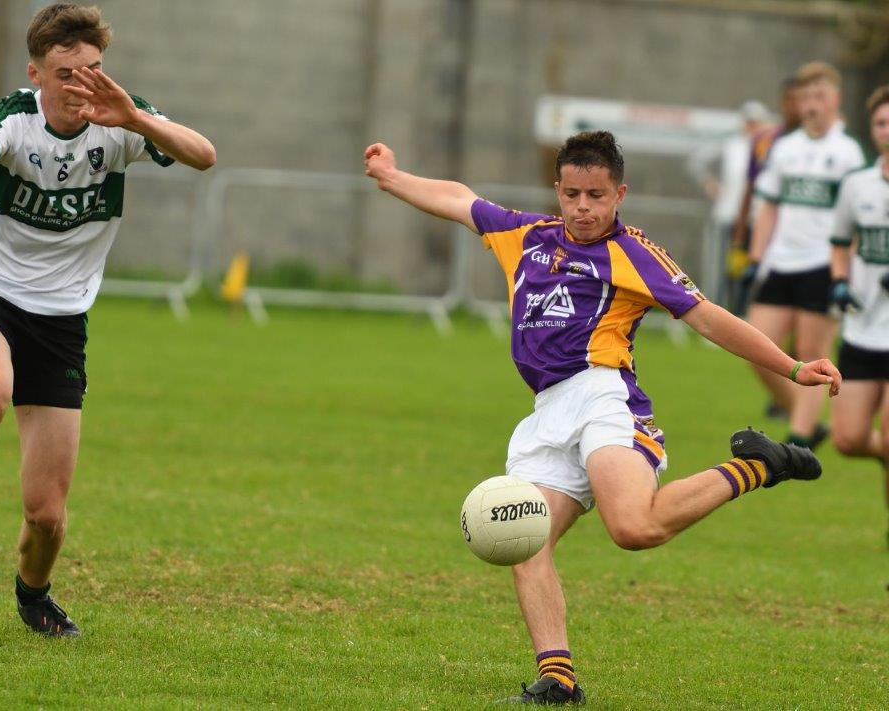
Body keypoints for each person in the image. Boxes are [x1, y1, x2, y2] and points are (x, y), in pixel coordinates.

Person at [363, 130, 839, 705]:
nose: (582, 207)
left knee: (633, 529)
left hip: (603, 399)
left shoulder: (632, 252)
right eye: (571, 194)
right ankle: (557, 679)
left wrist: (791, 368)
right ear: (558, 191)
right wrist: (393, 177)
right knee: (526, 537)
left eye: (596, 195)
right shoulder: (526, 236)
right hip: (546, 413)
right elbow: (458, 198)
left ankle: (758, 466)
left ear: (619, 195)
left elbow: (708, 318)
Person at [0, 3, 216, 637]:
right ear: (35, 74)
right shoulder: (14, 117)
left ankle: (34, 596)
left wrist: (136, 117)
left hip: (62, 318)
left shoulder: (119, 116)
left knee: (46, 517)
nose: (81, 86)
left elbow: (203, 155)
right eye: (66, 73)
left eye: (92, 70)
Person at [745, 61, 864, 450]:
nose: (812, 104)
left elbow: (856, 220)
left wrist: (848, 274)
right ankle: (808, 420)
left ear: (835, 99)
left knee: (814, 355)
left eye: (820, 95)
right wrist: (755, 258)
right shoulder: (786, 148)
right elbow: (770, 207)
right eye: (806, 96)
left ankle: (798, 444)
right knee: (758, 350)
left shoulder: (847, 153)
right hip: (782, 262)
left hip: (824, 264)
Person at [828, 85, 889, 545]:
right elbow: (839, 244)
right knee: (848, 438)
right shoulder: (857, 184)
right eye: (882, 122)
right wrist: (840, 281)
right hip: (863, 328)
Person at [729, 78, 802, 318]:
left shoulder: (818, 144)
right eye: (790, 100)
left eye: (800, 100)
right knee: (760, 289)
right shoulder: (763, 140)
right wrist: (741, 230)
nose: (796, 106)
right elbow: (749, 187)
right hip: (764, 228)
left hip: (801, 234)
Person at [686, 100, 769, 309]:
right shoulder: (731, 144)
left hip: (756, 219)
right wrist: (710, 185)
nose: (752, 126)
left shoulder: (766, 147)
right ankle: (715, 310)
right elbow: (697, 161)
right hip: (727, 216)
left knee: (750, 270)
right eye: (749, 122)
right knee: (721, 269)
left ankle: (745, 312)